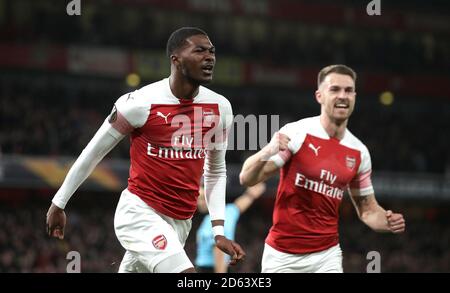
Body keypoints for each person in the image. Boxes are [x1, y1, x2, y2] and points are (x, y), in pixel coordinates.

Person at [46, 27, 245, 273]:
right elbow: (93, 152)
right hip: (139, 213)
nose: (210, 57)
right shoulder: (140, 103)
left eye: (212, 51)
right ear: (176, 59)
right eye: (200, 51)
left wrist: (218, 232)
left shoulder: (220, 108)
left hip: (180, 224)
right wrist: (59, 202)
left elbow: (215, 170)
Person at [239, 64, 406, 273]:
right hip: (282, 256)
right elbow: (247, 178)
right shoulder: (298, 134)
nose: (343, 96)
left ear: (355, 96)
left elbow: (368, 210)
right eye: (335, 89)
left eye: (348, 90)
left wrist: (386, 221)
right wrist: (266, 151)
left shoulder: (359, 152)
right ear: (319, 96)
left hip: (326, 256)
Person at [195, 182, 266, 273]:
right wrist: (251, 195)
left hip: (209, 270)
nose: (199, 203)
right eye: (198, 198)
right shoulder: (227, 212)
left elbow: (219, 251)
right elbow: (238, 206)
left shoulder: (212, 222)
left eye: (203, 199)